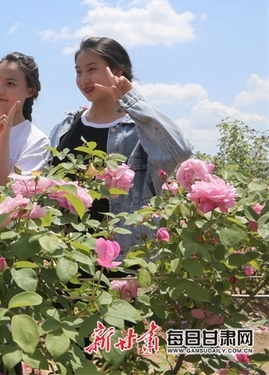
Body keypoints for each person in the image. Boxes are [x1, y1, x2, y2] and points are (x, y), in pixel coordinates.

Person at [49, 36, 193, 256]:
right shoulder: (66, 127)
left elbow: (180, 151)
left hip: (125, 256)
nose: (84, 79)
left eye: (92, 69)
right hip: (69, 254)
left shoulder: (140, 128)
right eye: (79, 71)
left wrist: (131, 99)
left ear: (117, 72)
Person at [0, 52, 50, 191]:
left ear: (30, 91)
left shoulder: (36, 141)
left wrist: (3, 140)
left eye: (10, 83)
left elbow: (7, 193)